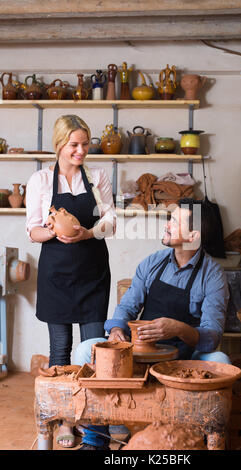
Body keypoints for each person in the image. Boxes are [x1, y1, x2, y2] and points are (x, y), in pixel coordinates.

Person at [73, 197, 230, 450]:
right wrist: (116, 330)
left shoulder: (213, 275)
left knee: (221, 361)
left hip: (184, 357)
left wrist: (178, 328)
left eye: (175, 221)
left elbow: (212, 335)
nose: (167, 225)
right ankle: (96, 439)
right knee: (84, 350)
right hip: (140, 351)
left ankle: (197, 438)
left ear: (193, 235)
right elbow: (127, 307)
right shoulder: (153, 262)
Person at [26, 114, 116, 448]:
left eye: (85, 144)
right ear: (60, 144)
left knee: (93, 350)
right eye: (74, 145)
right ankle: (65, 421)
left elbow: (111, 221)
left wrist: (87, 233)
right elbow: (33, 230)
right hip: (56, 276)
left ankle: (94, 424)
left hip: (93, 273)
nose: (80, 151)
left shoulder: (97, 177)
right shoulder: (40, 180)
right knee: (61, 350)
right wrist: (54, 230)